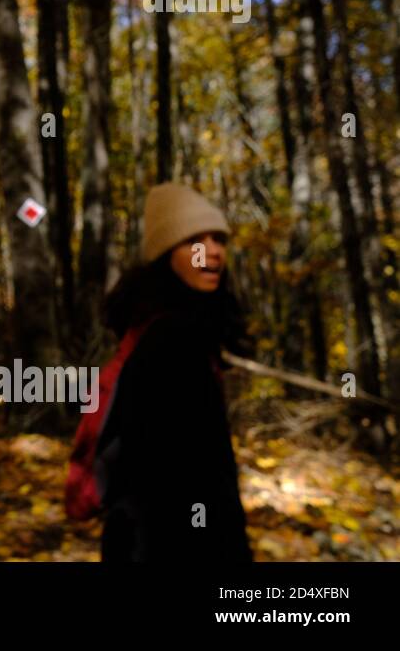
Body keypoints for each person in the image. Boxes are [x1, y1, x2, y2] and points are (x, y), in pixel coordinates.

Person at [97, 182, 253, 562]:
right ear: (166, 255)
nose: (212, 251)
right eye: (194, 242)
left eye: (218, 239)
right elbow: (190, 482)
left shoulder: (165, 329)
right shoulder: (173, 341)